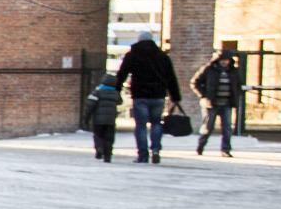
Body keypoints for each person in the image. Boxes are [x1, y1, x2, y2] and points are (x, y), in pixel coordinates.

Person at [114, 30, 182, 164]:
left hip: (140, 95)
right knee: (157, 123)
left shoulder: (132, 55)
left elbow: (122, 74)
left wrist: (116, 90)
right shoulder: (162, 56)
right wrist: (175, 96)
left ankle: (143, 154)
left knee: (141, 126)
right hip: (158, 95)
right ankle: (156, 149)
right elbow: (171, 77)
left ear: (139, 40)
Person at [194, 42, 246, 155]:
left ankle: (225, 149)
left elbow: (238, 85)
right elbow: (195, 82)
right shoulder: (209, 69)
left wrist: (236, 94)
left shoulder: (233, 71)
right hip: (211, 103)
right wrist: (203, 95)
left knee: (227, 128)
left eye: (226, 60)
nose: (224, 62)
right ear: (217, 60)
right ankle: (201, 145)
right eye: (222, 59)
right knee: (208, 127)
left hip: (227, 103)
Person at [79, 72, 123, 162]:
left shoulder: (97, 92)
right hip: (110, 120)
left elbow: (90, 106)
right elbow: (120, 101)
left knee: (98, 135)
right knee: (109, 138)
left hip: (98, 120)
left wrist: (86, 119)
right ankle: (108, 155)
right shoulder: (115, 93)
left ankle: (99, 148)